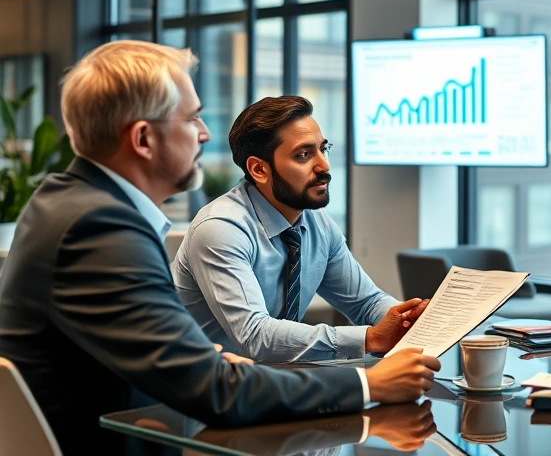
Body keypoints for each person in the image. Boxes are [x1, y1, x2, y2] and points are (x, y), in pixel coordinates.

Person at [0, 41, 440, 454]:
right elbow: (218, 393)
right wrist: (370, 385)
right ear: (143, 139)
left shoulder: (69, 202)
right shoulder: (100, 229)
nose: (205, 134)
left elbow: (156, 353)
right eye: (191, 119)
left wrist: (205, 356)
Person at [173, 96, 427, 363]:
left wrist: (404, 319)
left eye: (323, 149)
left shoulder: (317, 222)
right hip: (206, 391)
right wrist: (368, 338)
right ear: (259, 169)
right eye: (304, 155)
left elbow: (366, 302)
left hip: (278, 382)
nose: (324, 166)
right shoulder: (222, 228)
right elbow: (254, 336)